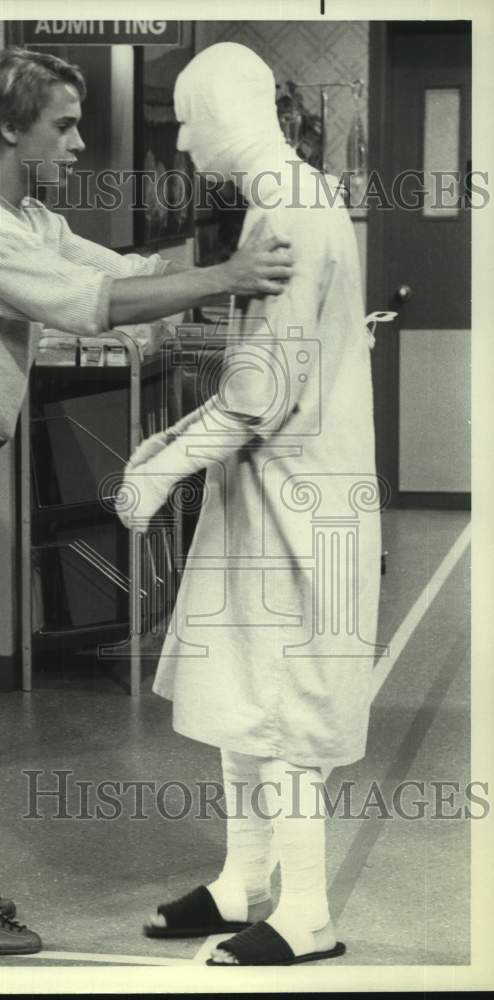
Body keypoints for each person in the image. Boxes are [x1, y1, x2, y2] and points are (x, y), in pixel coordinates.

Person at [0, 46, 294, 957]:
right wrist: (228, 276)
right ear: (8, 128)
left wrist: (209, 282)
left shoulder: (26, 218)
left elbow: (121, 271)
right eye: (62, 125)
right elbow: (95, 302)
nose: (78, 142)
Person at [118, 42, 382, 965]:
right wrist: (169, 446)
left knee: (285, 707)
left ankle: (306, 912)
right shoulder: (281, 199)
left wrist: (162, 471)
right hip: (267, 494)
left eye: (190, 120)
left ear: (230, 111)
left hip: (300, 504)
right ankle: (244, 882)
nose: (184, 142)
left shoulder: (295, 209)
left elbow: (262, 395)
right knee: (242, 692)